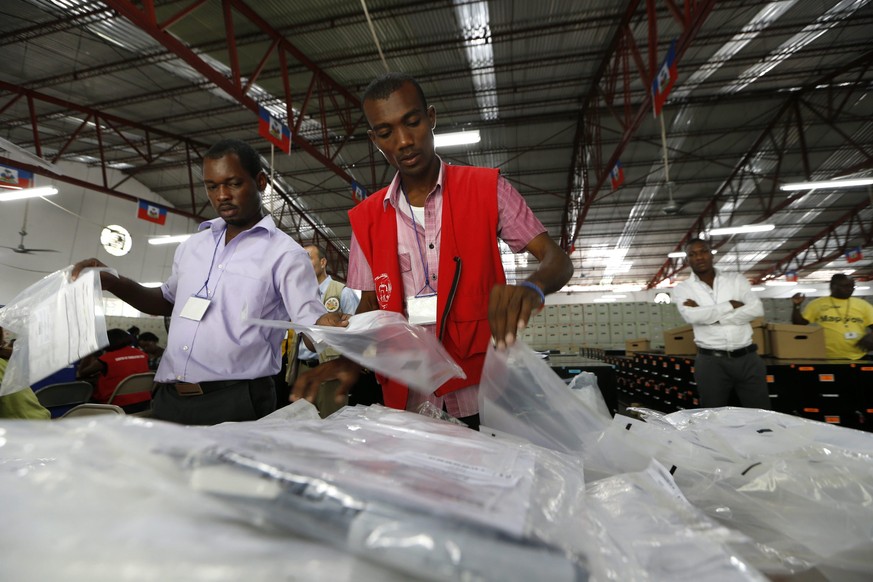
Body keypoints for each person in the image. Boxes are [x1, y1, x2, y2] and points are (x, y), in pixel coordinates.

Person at [292, 72, 574, 430]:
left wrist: (531, 287)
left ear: (432, 117)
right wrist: (350, 352)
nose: (404, 141)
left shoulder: (487, 190)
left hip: (482, 394)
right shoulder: (367, 219)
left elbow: (558, 261)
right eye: (386, 132)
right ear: (374, 139)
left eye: (413, 122)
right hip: (405, 402)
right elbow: (369, 307)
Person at [73, 139, 345, 425]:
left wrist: (329, 326)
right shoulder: (193, 246)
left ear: (261, 182)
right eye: (212, 186)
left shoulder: (285, 254)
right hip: (170, 398)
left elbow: (312, 329)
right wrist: (113, 281)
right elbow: (166, 300)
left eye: (233, 183)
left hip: (237, 400)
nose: (222, 195)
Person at [673, 238, 770, 409]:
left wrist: (709, 314)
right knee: (712, 415)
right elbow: (691, 317)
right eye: (692, 254)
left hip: (748, 359)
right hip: (711, 362)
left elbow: (756, 310)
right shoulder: (683, 289)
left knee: (760, 414)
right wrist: (730, 305)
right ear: (687, 260)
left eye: (703, 251)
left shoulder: (736, 280)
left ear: (711, 254)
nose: (699, 257)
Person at [288, 245, 360, 417]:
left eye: (308, 258)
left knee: (331, 422)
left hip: (331, 371)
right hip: (302, 369)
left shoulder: (343, 293)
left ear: (323, 262)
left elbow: (357, 334)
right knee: (303, 425)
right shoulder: (298, 296)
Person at [791, 274, 873, 360]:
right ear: (833, 286)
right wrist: (796, 306)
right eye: (845, 286)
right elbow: (799, 324)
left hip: (857, 357)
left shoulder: (863, 305)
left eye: (852, 287)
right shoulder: (817, 304)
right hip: (826, 356)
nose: (850, 289)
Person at [77, 328, 151, 413]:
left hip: (116, 405)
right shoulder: (142, 354)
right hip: (144, 402)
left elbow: (82, 373)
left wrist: (89, 352)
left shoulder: (107, 359)